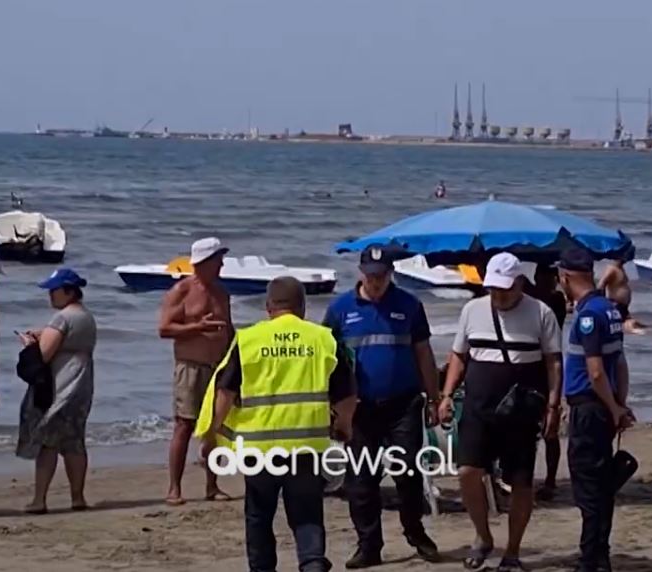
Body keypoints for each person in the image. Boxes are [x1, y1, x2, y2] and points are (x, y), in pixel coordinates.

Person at [198, 277, 358, 572]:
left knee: (259, 516)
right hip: (307, 447)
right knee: (307, 515)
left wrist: (210, 435)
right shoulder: (323, 339)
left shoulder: (249, 340)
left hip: (259, 449)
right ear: (303, 307)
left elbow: (225, 392)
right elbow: (347, 393)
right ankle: (312, 565)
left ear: (268, 306)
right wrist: (344, 426)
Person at [439, 253, 562, 572]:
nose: (499, 295)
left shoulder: (541, 312)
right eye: (493, 288)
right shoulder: (472, 310)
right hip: (479, 406)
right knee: (467, 472)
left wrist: (553, 405)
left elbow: (553, 362)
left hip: (521, 410)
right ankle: (482, 536)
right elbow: (458, 355)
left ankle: (513, 551)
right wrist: (446, 395)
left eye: (505, 289)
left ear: (520, 283)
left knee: (521, 483)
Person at [323, 245, 441, 569]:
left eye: (382, 275)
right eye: (371, 275)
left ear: (391, 273)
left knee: (408, 474)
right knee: (361, 481)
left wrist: (434, 398)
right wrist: (330, 405)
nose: (376, 282)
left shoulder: (410, 305)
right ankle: (369, 545)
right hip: (360, 409)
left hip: (403, 404)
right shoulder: (340, 310)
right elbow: (326, 361)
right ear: (361, 273)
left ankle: (415, 532)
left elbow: (423, 354)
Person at [558, 248, 635, 572]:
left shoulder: (588, 315)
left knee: (588, 487)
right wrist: (620, 405)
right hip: (605, 406)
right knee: (602, 487)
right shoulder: (611, 311)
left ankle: (590, 558)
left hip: (590, 408)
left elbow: (596, 371)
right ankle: (599, 554)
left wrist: (614, 408)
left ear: (566, 277)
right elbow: (619, 364)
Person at [158, 237, 233, 504]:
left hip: (218, 368)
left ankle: (212, 486)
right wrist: (197, 327)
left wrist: (235, 360)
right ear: (203, 262)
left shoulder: (222, 292)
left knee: (215, 427)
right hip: (190, 367)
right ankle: (174, 488)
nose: (222, 264)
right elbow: (165, 328)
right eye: (217, 259)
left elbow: (229, 328)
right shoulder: (181, 291)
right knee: (184, 425)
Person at [16, 268, 97, 514]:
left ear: (69, 291)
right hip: (82, 384)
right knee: (74, 442)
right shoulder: (85, 316)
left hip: (62, 386)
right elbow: (68, 341)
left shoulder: (62, 318)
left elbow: (44, 354)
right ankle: (77, 497)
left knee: (48, 443)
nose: (50, 296)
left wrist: (30, 344)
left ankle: (39, 499)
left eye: (54, 291)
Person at [523, 264, 568, 500]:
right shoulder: (534, 299)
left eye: (550, 278)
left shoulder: (556, 301)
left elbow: (538, 296)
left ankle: (550, 480)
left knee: (549, 429)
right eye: (543, 277)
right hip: (532, 365)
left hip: (547, 366)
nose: (547, 281)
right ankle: (524, 476)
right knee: (526, 428)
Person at [597, 252, 644, 334]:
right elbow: (601, 285)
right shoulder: (611, 269)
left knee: (636, 325)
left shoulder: (621, 268)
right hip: (615, 304)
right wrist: (602, 303)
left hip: (623, 306)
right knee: (627, 326)